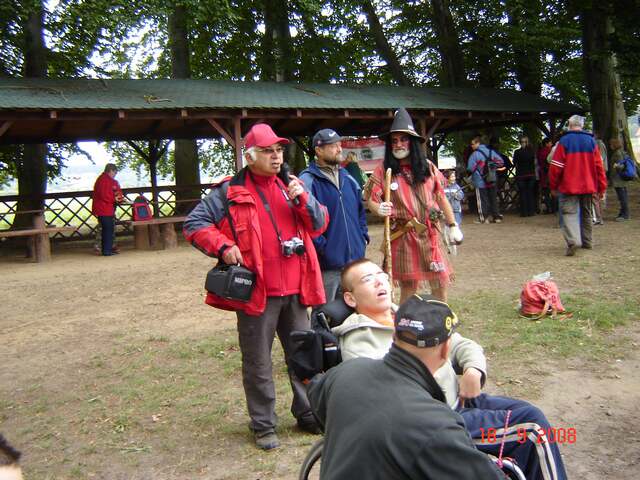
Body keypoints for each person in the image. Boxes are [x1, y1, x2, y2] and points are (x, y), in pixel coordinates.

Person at [330, 258, 568, 480]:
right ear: (351, 299)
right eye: (367, 279)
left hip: (463, 399)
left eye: (381, 275)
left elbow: (461, 344)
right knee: (532, 428)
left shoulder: (408, 315)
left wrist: (473, 370)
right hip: (439, 421)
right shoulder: (359, 341)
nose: (378, 281)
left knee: (529, 412)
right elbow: (385, 394)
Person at [183, 123, 329, 450]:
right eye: (267, 151)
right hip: (257, 294)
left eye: (279, 150)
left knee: (303, 357)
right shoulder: (228, 191)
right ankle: (263, 424)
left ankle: (308, 413)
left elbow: (320, 224)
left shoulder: (293, 185)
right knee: (258, 362)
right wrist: (223, 246)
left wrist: (303, 200)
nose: (276, 157)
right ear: (249, 157)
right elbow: (194, 223)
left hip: (297, 290)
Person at [307, 289, 504, 479]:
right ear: (446, 350)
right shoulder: (435, 423)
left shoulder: (345, 372)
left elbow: (316, 395)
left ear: (394, 336)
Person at [364, 108, 462, 304]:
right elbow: (370, 199)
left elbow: (441, 197)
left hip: (430, 235)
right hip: (403, 235)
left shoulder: (428, 167)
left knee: (439, 284)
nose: (398, 144)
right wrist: (378, 209)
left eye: (403, 139)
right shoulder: (384, 170)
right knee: (408, 287)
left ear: (413, 142)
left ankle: (440, 319)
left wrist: (453, 225)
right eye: (394, 141)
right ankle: (405, 322)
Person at [299, 129, 369, 302]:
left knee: (357, 309)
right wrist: (324, 248)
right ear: (318, 150)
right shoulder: (307, 180)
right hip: (327, 268)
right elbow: (305, 220)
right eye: (333, 146)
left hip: (356, 263)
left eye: (339, 145)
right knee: (326, 312)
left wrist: (363, 237)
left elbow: (360, 212)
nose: (339, 149)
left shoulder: (348, 177)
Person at [549, 115, 607, 256]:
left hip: (569, 185)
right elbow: (599, 166)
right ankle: (588, 241)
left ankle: (573, 241)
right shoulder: (591, 141)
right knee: (587, 213)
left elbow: (556, 167)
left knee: (569, 213)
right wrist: (601, 187)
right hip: (588, 185)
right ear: (581, 125)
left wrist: (553, 186)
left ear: (569, 125)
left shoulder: (564, 141)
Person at [467, 135, 505, 224]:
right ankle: (496, 217)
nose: (471, 146)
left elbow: (470, 168)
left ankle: (483, 218)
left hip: (480, 180)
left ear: (478, 143)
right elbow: (501, 162)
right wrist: (492, 167)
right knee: (493, 198)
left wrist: (479, 169)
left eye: (473, 144)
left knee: (482, 199)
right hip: (492, 178)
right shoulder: (491, 152)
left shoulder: (475, 154)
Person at [92, 163, 124, 256]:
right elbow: (105, 195)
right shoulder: (104, 180)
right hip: (104, 209)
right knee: (108, 230)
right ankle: (107, 250)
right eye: (115, 173)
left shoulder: (104, 180)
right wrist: (115, 199)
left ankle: (107, 249)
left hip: (105, 209)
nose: (115, 175)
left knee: (107, 229)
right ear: (111, 171)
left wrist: (118, 198)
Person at [513, 135, 537, 217]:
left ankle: (524, 212)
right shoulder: (532, 151)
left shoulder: (517, 152)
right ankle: (531, 211)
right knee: (530, 193)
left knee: (522, 193)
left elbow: (514, 162)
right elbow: (534, 162)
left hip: (521, 174)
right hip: (531, 174)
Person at [610, 137, 630, 221]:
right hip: (621, 179)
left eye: (611, 144)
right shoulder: (620, 152)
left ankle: (625, 215)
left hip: (619, 179)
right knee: (622, 197)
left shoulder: (617, 153)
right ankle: (623, 213)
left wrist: (616, 166)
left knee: (622, 198)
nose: (610, 146)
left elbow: (621, 166)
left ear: (614, 145)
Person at [592, 133, 609, 225]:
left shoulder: (597, 147)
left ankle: (597, 218)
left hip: (594, 178)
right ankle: (598, 217)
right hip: (597, 178)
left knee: (595, 199)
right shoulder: (597, 149)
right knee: (598, 199)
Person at [537, 137, 554, 214]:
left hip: (543, 174)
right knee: (552, 191)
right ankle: (553, 208)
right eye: (550, 142)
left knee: (546, 193)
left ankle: (548, 208)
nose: (551, 144)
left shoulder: (540, 151)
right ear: (546, 143)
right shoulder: (550, 151)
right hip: (549, 173)